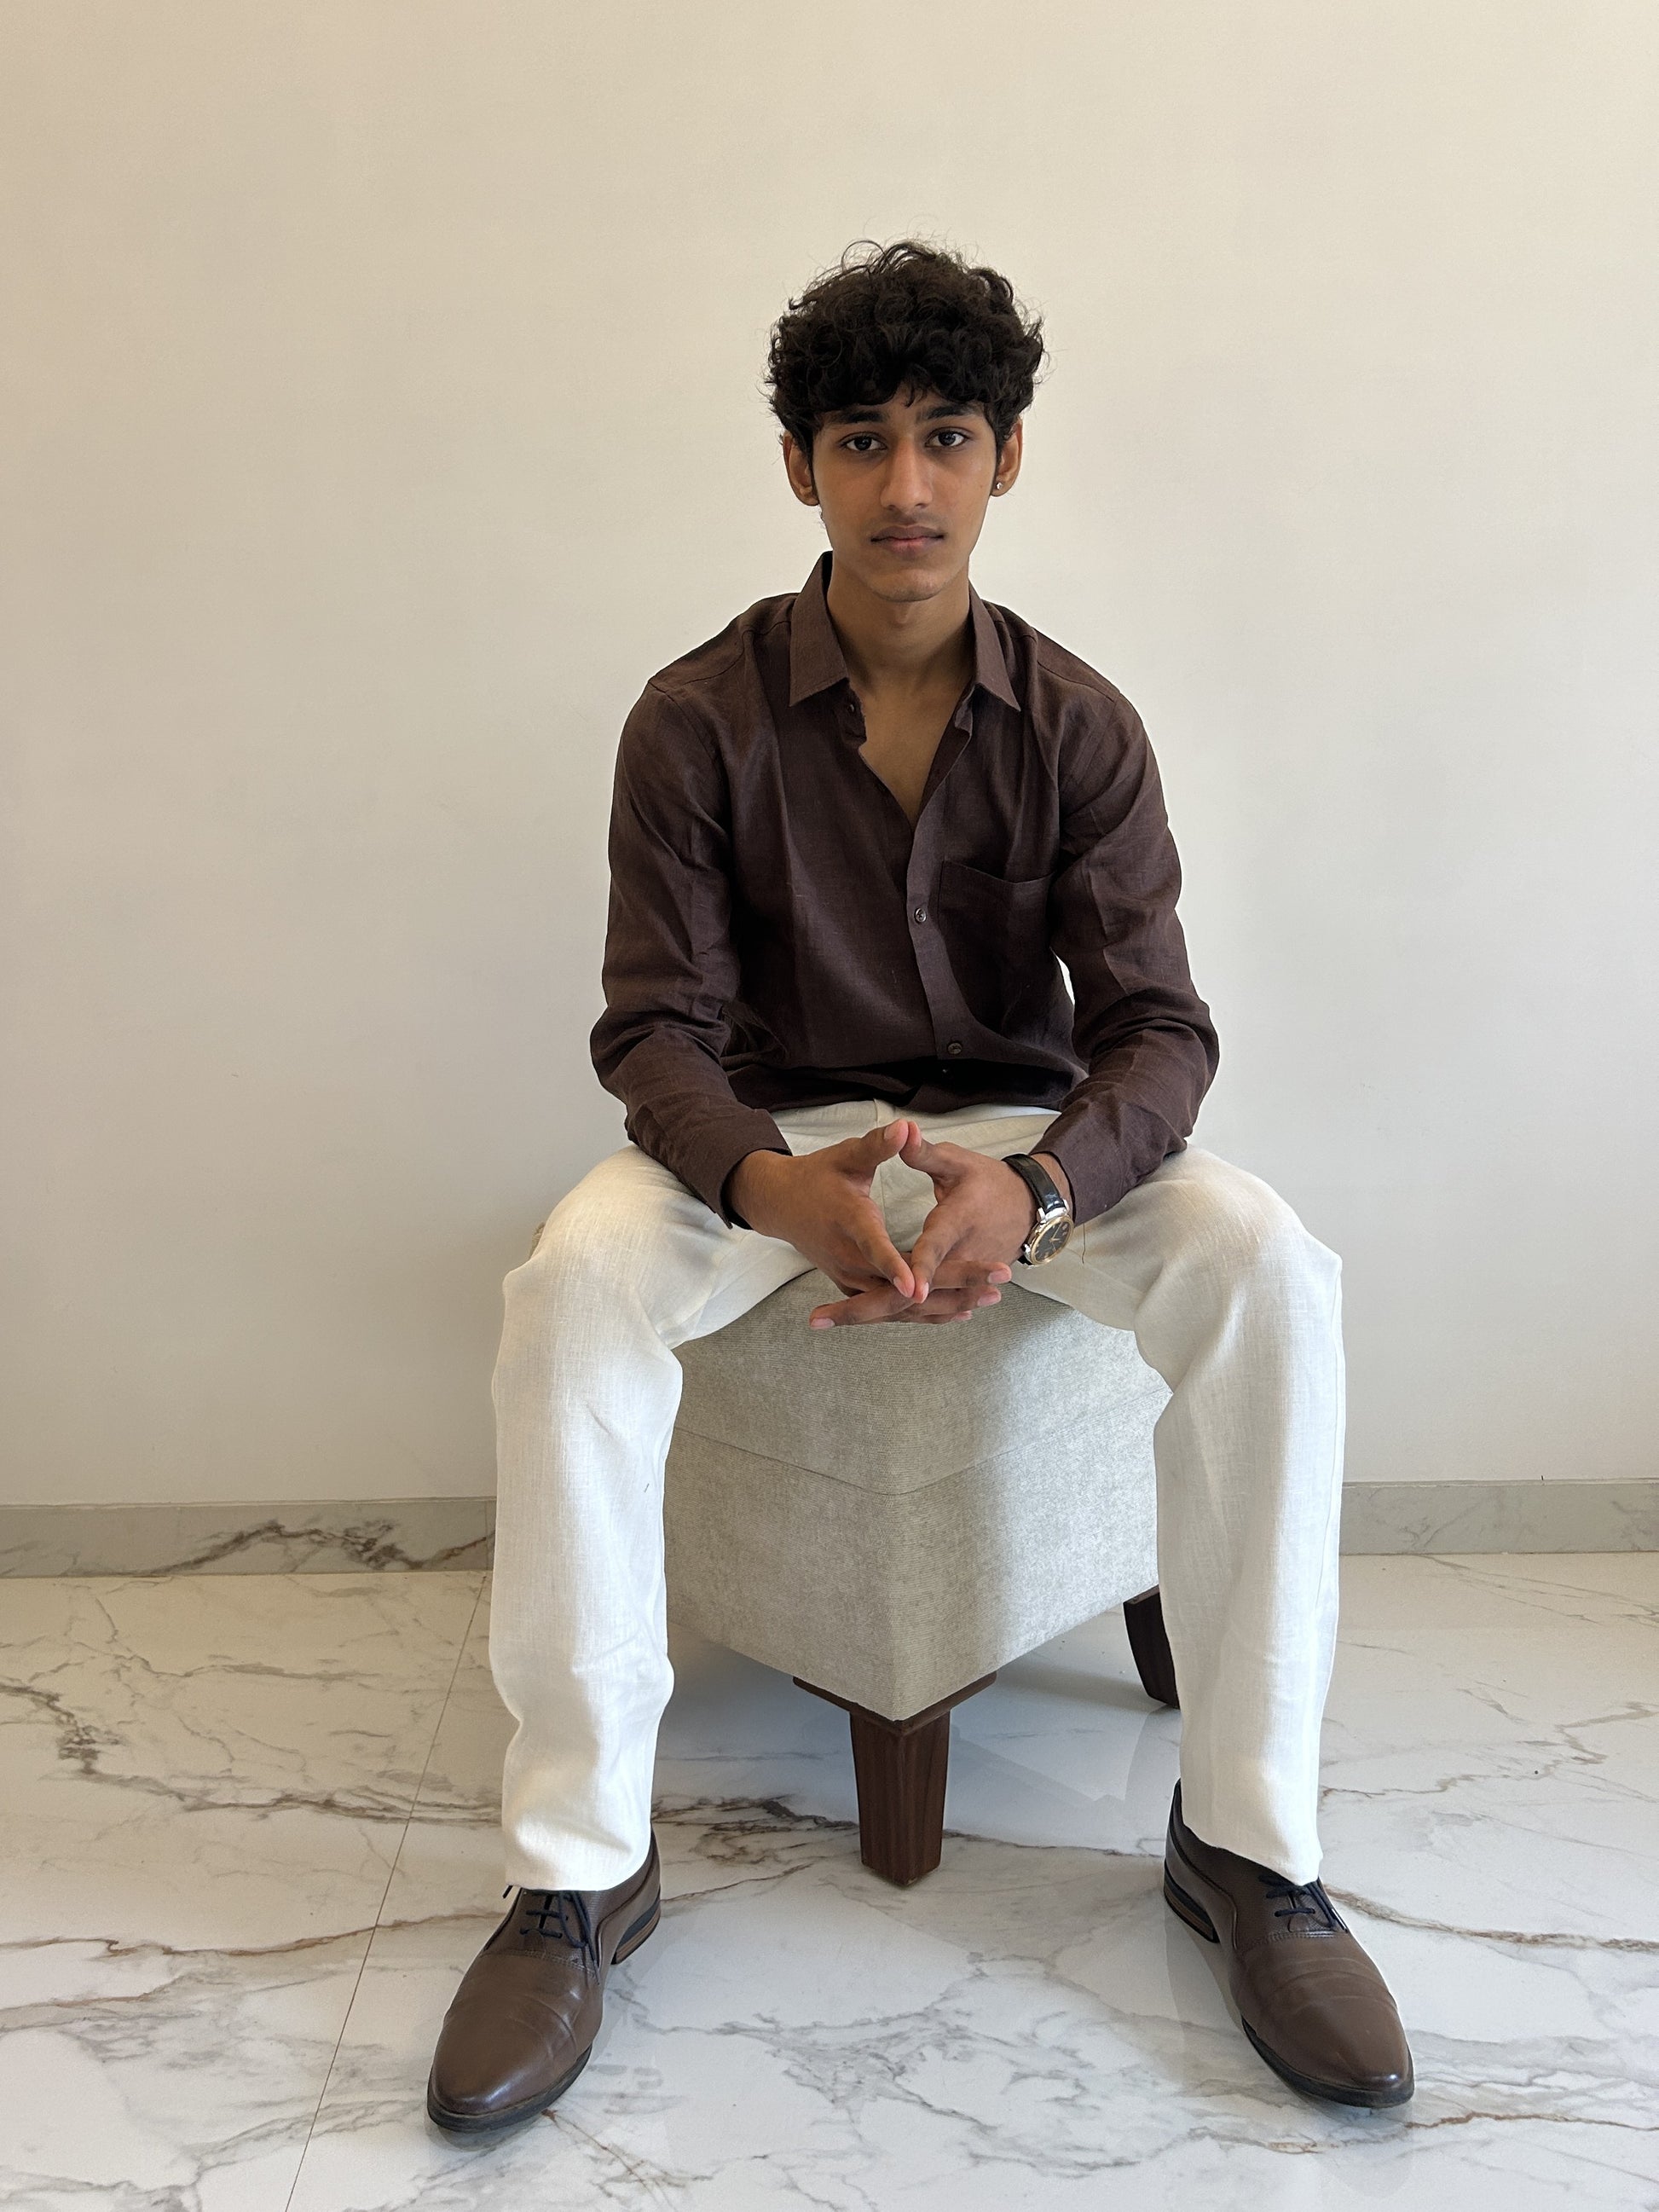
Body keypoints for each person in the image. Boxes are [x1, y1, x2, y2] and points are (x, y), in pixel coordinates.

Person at [426, 240, 1413, 2134]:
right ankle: (575, 1871)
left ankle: (1248, 1847)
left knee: (1271, 1264)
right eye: (861, 440)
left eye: (944, 437)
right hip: (773, 1147)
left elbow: (1159, 1032)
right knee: (567, 1283)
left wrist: (1033, 1193)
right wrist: (767, 1188)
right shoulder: (693, 720)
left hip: (1022, 1151)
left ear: (1005, 458)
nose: (904, 485)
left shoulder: (1086, 725)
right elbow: (651, 1034)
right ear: (801, 465)